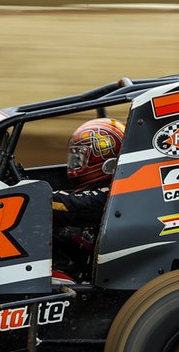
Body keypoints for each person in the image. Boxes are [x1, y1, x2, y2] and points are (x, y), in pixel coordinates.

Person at [51, 117, 125, 281]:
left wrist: (32, 196)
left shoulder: (112, 193)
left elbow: (74, 205)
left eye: (80, 156)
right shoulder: (100, 190)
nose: (74, 163)